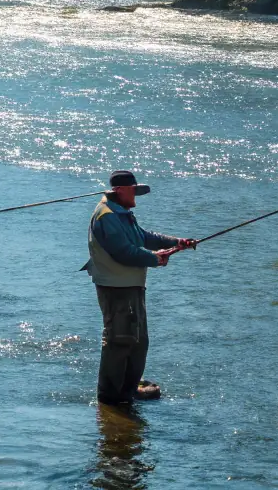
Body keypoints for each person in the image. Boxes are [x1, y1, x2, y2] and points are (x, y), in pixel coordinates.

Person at [84, 170, 195, 407]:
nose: (136, 196)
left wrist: (175, 242)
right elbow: (123, 251)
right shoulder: (106, 216)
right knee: (120, 340)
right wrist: (155, 258)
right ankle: (111, 397)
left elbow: (142, 237)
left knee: (139, 341)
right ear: (120, 190)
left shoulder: (121, 213)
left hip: (131, 285)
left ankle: (129, 389)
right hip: (115, 287)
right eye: (134, 190)